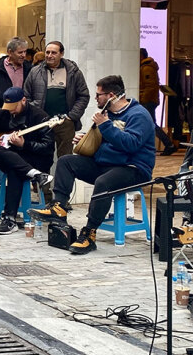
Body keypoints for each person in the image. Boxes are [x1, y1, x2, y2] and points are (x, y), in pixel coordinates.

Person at [29, 75, 156, 255]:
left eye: (99, 95)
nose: (96, 98)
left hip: (133, 169)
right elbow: (106, 142)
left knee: (103, 182)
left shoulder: (138, 115)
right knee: (66, 161)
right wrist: (86, 139)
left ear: (111, 96)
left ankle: (89, 233)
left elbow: (131, 144)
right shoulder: (107, 114)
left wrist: (105, 126)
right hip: (106, 165)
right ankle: (59, 207)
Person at [0, 87, 55, 235]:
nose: (11, 111)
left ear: (23, 100)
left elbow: (47, 148)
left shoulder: (40, 117)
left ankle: (10, 219)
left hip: (35, 159)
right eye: (8, 107)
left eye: (14, 107)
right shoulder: (2, 113)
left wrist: (24, 144)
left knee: (14, 170)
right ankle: (35, 175)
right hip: (11, 156)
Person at [23, 40, 90, 158]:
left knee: (65, 158)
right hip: (41, 123)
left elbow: (83, 96)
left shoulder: (73, 72)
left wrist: (71, 116)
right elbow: (26, 96)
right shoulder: (35, 72)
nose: (49, 55)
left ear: (61, 54)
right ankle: (43, 177)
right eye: (47, 52)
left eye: (54, 53)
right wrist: (35, 115)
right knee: (40, 157)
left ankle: (63, 177)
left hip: (65, 123)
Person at [0, 37, 32, 116]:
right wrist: (5, 99)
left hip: (23, 115)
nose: (23, 55)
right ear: (10, 52)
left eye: (25, 52)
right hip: (2, 114)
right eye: (20, 52)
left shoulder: (29, 68)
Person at [140, 47, 176, 155]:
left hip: (148, 101)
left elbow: (150, 86)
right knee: (149, 124)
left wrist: (142, 100)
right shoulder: (145, 67)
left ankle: (169, 144)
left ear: (141, 56)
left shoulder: (147, 68)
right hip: (149, 101)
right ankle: (168, 144)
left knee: (151, 124)